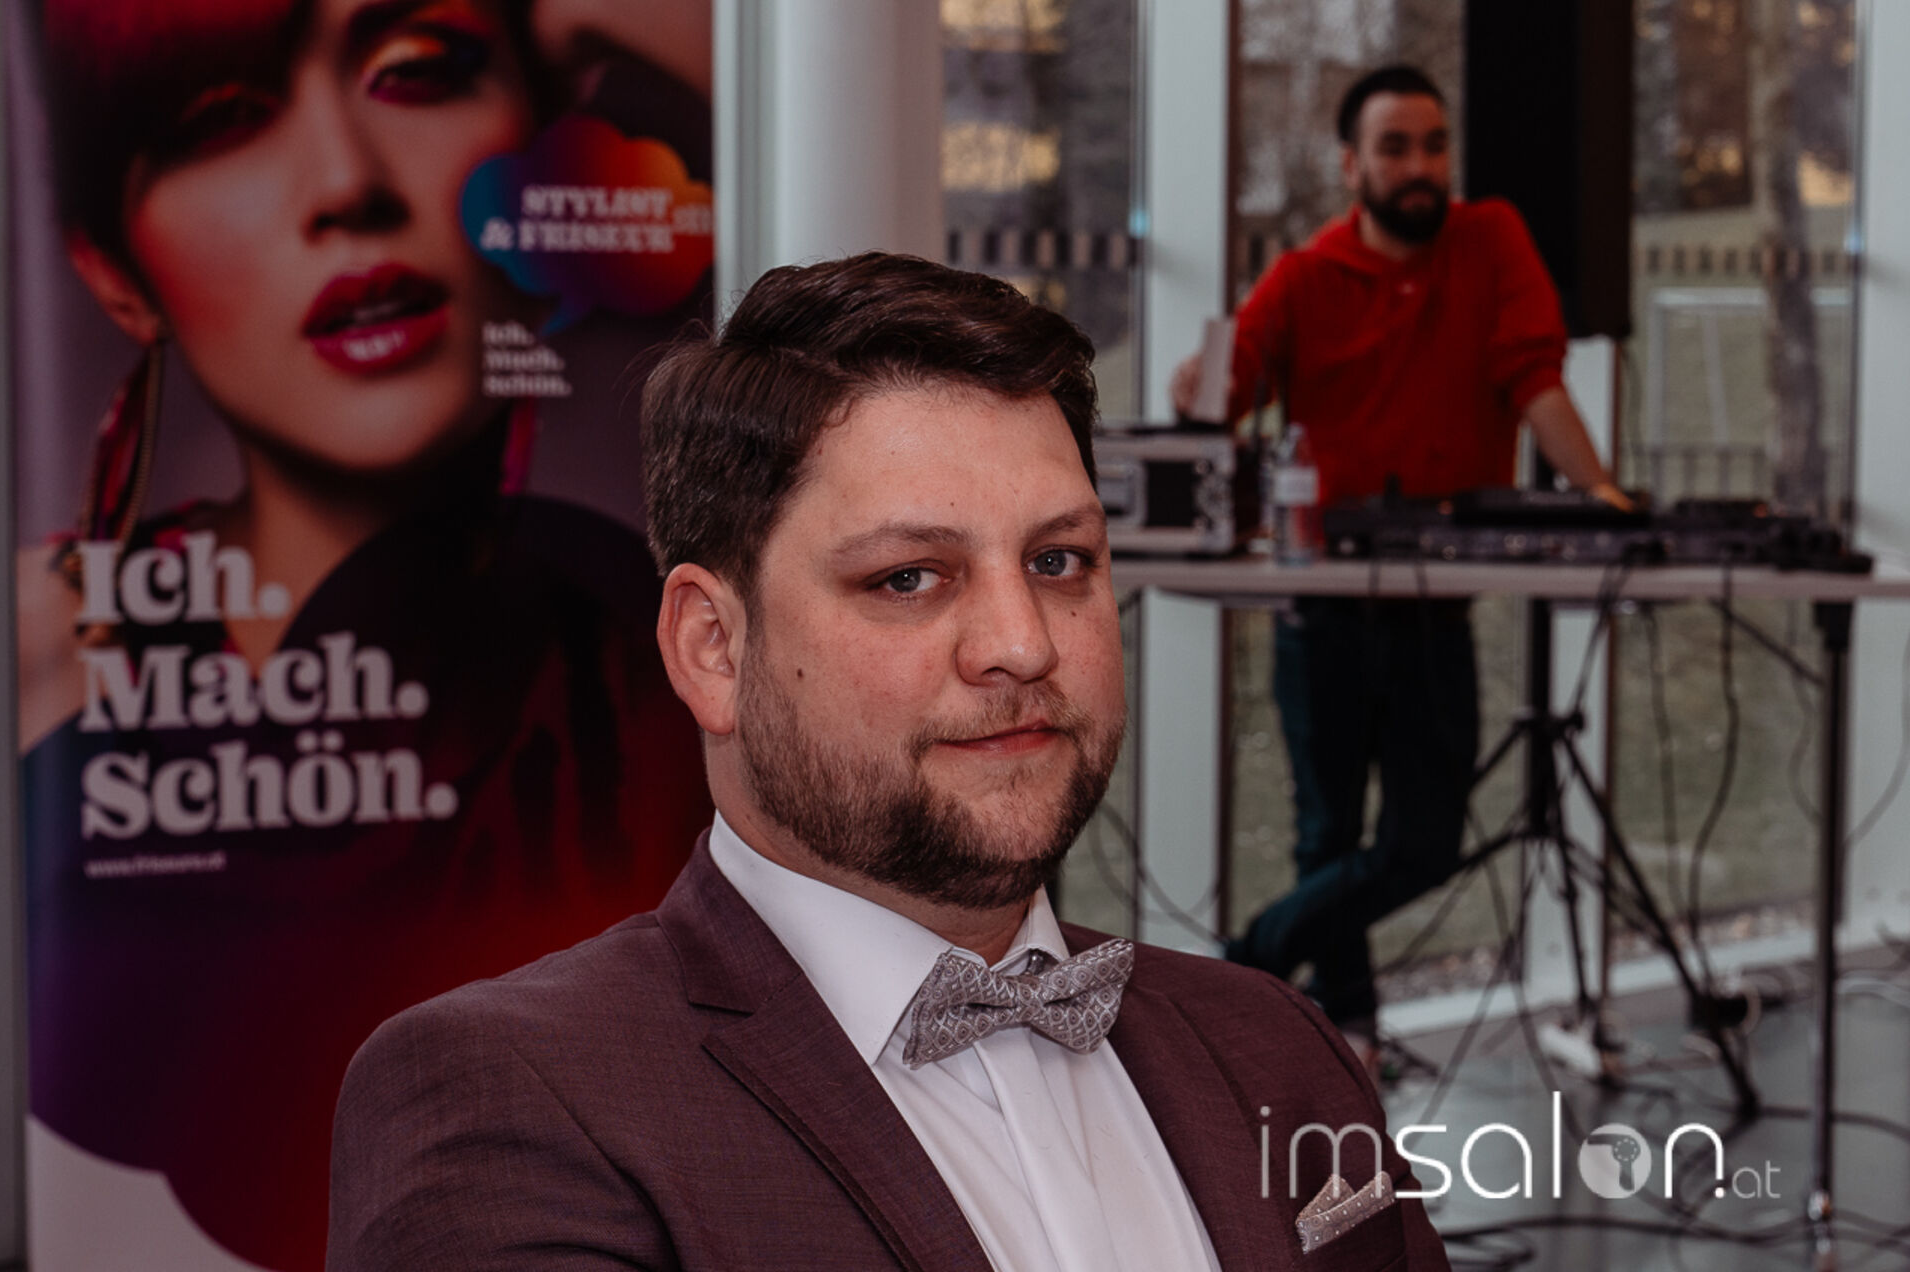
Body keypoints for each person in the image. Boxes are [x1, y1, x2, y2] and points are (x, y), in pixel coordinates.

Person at [327, 252, 1452, 1271]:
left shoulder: (1275, 1043)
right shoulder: (513, 1098)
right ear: (713, 648)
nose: (1022, 644)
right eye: (909, 577)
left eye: (1060, 560)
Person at [13, 0, 714, 1266]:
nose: (347, 183)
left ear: (534, 134)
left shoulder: (683, 656)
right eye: (221, 121)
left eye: (421, 69)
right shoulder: (42, 659)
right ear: (113, 272)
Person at [1170, 65, 1629, 1060]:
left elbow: (1535, 383)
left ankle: (1243, 962)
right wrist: (1196, 383)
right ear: (1351, 165)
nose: (1419, 165)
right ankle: (1348, 1035)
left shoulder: (1491, 238)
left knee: (1425, 844)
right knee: (1325, 836)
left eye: (1433, 145)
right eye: (1394, 147)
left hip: (1434, 607)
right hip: (1323, 606)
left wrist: (1603, 497)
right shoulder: (1304, 276)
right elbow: (1218, 400)